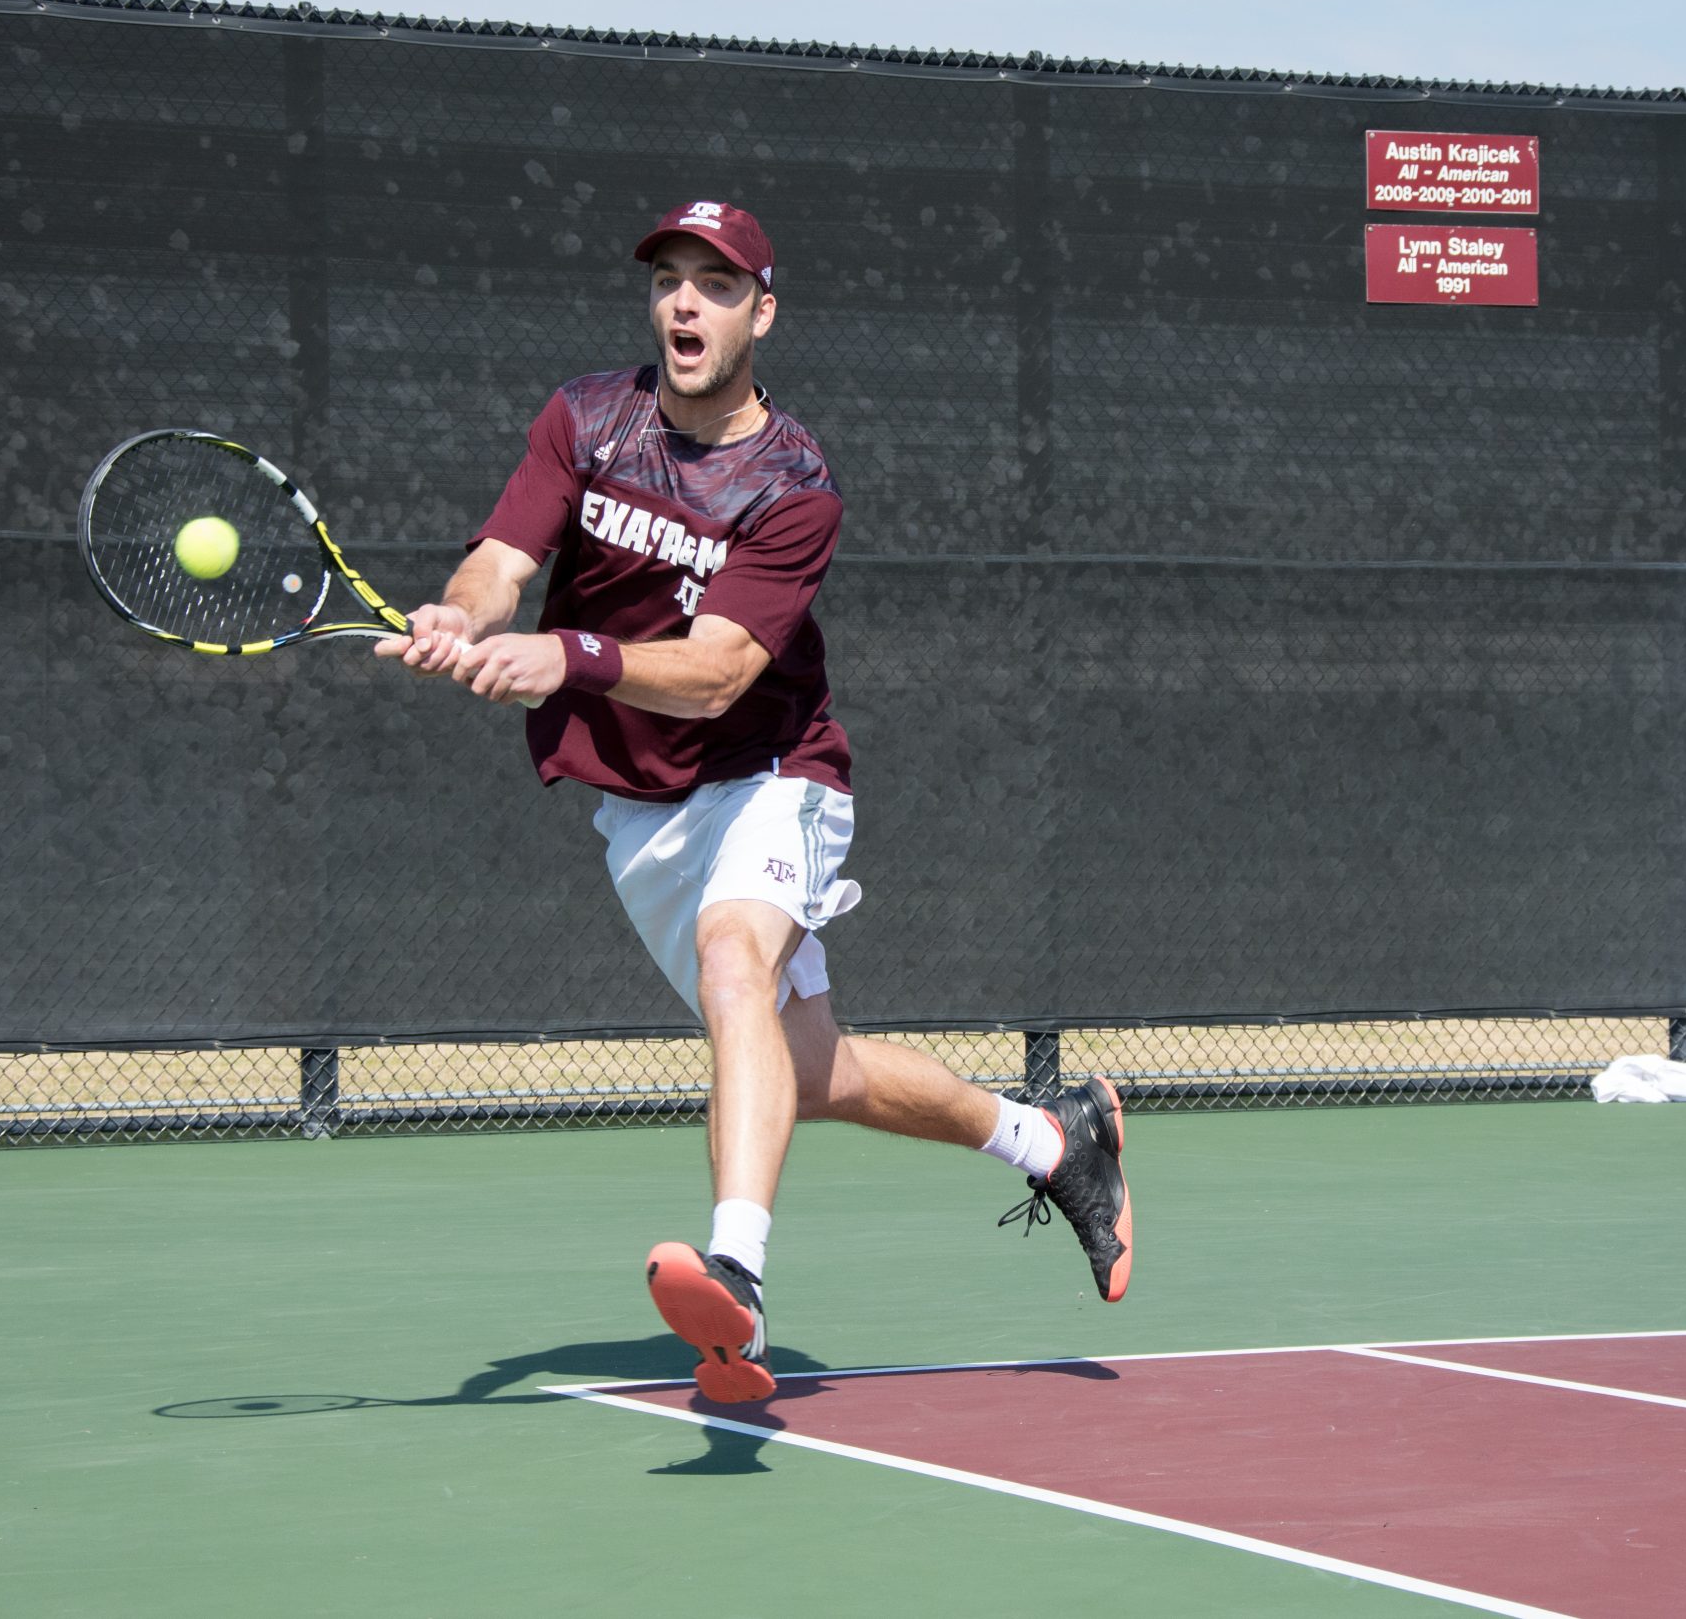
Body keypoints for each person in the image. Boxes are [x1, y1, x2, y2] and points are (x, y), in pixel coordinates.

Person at [378, 200, 1131, 1405]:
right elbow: (504, 558)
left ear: (760, 314)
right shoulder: (587, 418)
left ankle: (740, 1273)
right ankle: (1053, 1139)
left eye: (716, 285)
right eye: (670, 279)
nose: (685, 303)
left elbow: (721, 669)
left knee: (737, 964)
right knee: (803, 1071)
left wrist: (564, 657)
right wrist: (460, 616)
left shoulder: (794, 485)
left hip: (775, 771)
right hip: (642, 809)